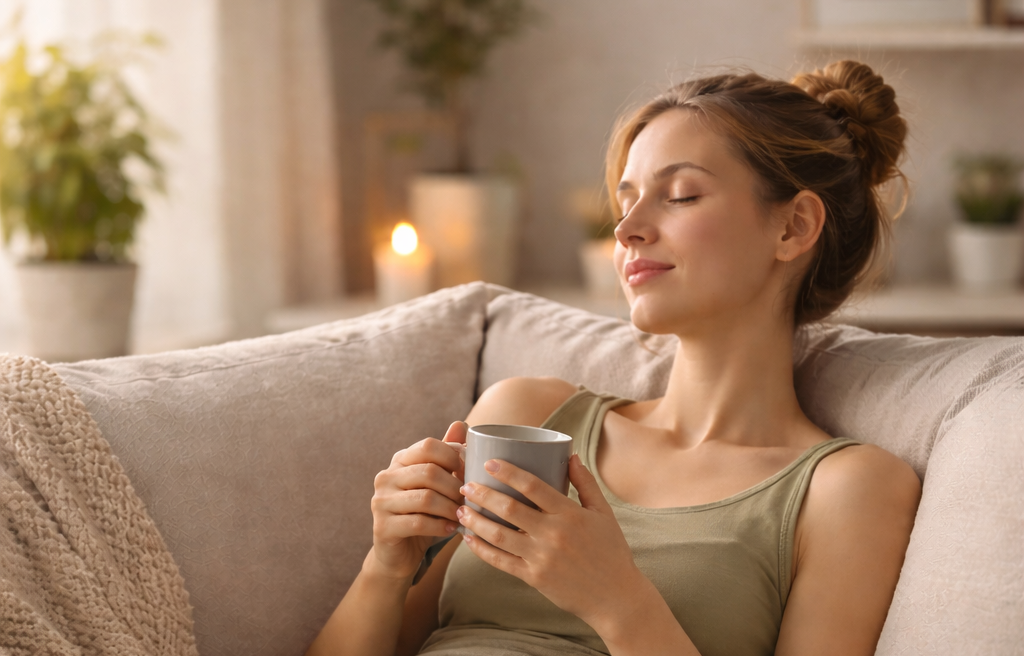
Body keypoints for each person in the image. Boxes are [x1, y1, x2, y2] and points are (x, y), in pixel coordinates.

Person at [306, 59, 922, 656]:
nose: (626, 228)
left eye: (679, 195)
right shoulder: (527, 416)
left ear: (793, 227)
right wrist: (388, 565)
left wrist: (618, 603)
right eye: (626, 198)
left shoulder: (847, 490)